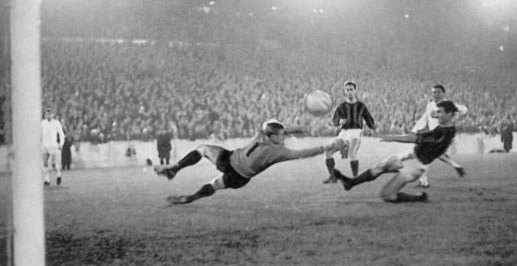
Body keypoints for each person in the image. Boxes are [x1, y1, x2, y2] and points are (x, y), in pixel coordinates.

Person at [154, 119, 339, 205]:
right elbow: (302, 154)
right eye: (281, 136)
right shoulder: (278, 151)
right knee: (214, 184)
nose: (284, 138)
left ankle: (175, 169)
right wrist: (324, 146)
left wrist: (300, 129)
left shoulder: (261, 134)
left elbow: (280, 130)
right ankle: (191, 197)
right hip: (241, 178)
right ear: (273, 136)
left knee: (202, 149)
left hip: (229, 161)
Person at [332, 101, 462, 203]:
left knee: (387, 196)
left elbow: (415, 138)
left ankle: (418, 198)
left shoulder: (445, 132)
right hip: (411, 155)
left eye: (440, 112)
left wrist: (392, 137)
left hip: (416, 166)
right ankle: (350, 183)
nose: (437, 115)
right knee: (379, 167)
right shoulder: (445, 127)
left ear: (450, 114)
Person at [410, 84, 467, 187]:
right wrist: (416, 129)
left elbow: (464, 110)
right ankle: (456, 166)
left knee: (424, 155)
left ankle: (424, 182)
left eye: (438, 92)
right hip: (433, 133)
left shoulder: (448, 105)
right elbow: (425, 118)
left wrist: (456, 118)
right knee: (433, 155)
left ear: (443, 94)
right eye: (434, 92)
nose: (436, 94)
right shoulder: (430, 105)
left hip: (442, 133)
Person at [323, 80, 375, 184]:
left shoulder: (361, 106)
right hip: (344, 132)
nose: (349, 91)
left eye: (351, 89)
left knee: (352, 153)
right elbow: (335, 121)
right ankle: (333, 177)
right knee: (328, 152)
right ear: (345, 91)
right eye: (347, 90)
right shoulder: (341, 107)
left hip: (356, 131)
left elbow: (369, 119)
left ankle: (355, 179)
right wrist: (339, 122)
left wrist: (371, 128)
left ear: (355, 91)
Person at [41, 108, 65, 186]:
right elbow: (39, 134)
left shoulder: (56, 123)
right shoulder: (42, 123)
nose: (48, 115)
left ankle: (58, 174)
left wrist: (61, 144)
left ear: (52, 115)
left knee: (54, 164)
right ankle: (47, 180)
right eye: (47, 114)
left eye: (50, 114)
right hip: (45, 145)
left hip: (53, 145)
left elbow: (61, 134)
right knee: (45, 163)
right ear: (45, 115)